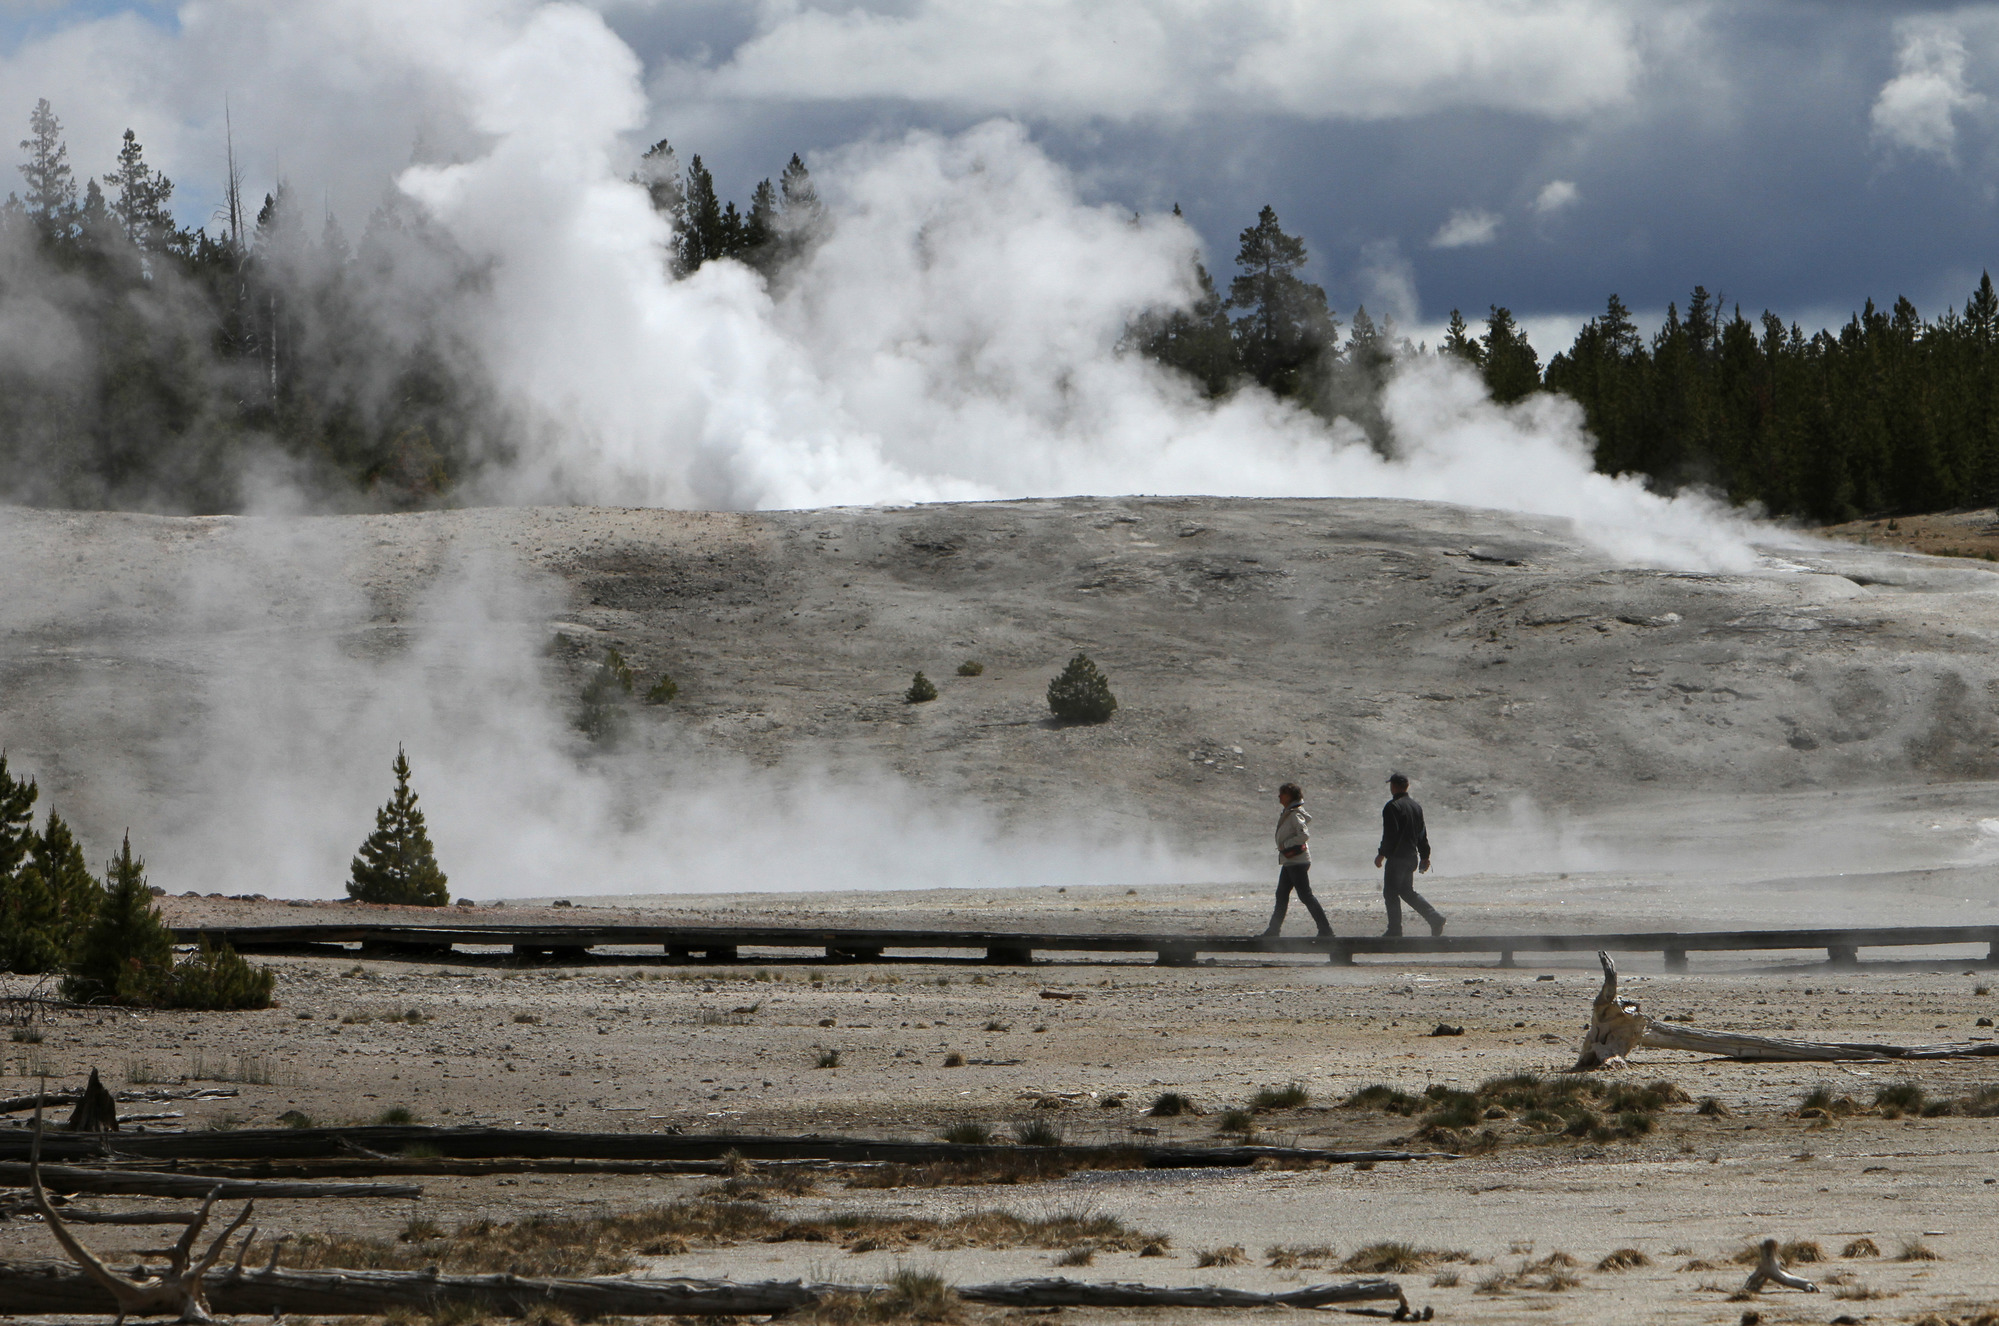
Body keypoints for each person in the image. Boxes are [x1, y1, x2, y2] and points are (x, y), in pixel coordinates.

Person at [1373, 772, 1445, 937]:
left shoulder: (1392, 807)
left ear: (1395, 786)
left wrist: (1382, 854)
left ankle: (1395, 930)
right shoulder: (1416, 806)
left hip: (1397, 858)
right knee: (1406, 891)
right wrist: (1425, 856)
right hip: (1411, 857)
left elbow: (1391, 834)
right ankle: (1434, 918)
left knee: (1390, 893)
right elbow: (1422, 834)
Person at [1261, 782, 1332, 939]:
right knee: (1282, 895)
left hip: (1296, 861)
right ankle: (1273, 931)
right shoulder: (1289, 812)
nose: (1279, 796)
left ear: (1290, 796)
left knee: (1304, 896)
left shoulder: (1294, 814)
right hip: (1291, 861)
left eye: (1282, 793)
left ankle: (1326, 931)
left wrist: (1285, 845)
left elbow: (1303, 835)